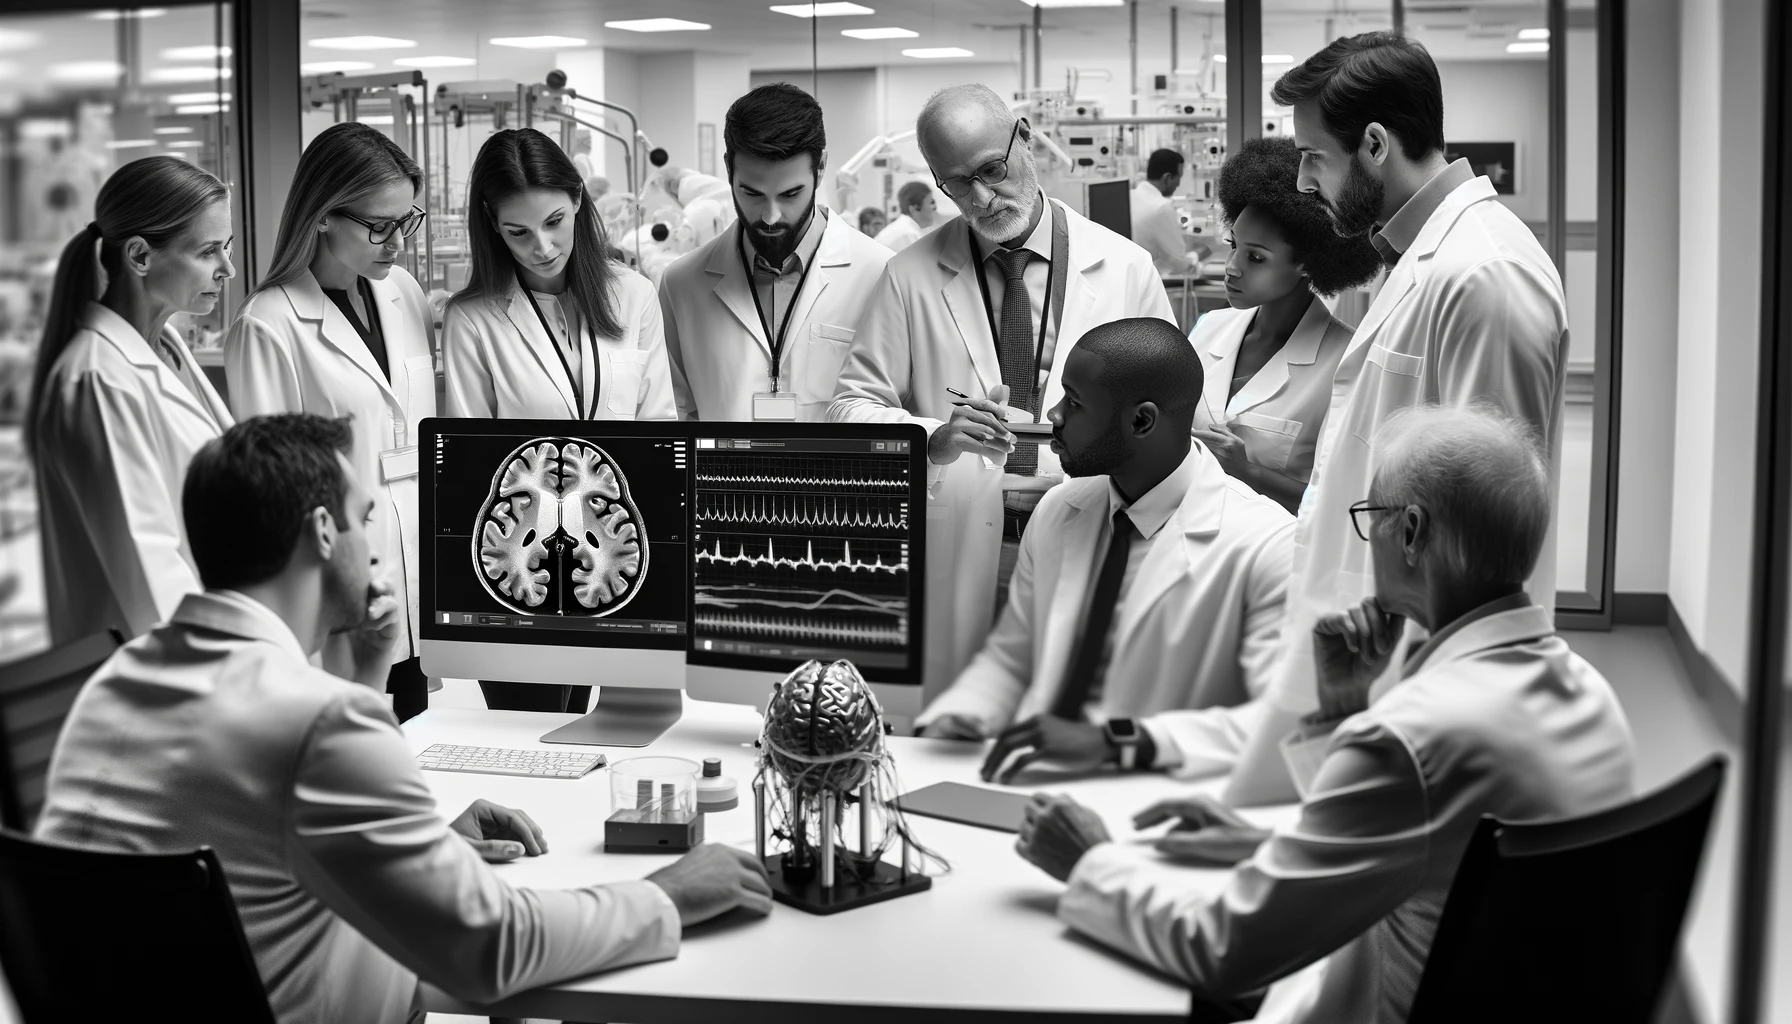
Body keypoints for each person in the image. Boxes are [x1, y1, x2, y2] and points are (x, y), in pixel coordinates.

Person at [35, 414, 773, 1024]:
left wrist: (411, 832)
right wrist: (668, 893)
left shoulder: (115, 682)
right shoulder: (320, 726)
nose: (378, 543)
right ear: (324, 533)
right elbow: (491, 952)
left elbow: (253, 849)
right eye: (365, 518)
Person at [1014, 406, 1636, 1023]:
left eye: (1372, 518)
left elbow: (1225, 950)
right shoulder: (1590, 693)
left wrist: (1090, 862)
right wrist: (1333, 726)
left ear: (1413, 533)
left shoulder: (1412, 735)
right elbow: (1424, 845)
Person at [1225, 32, 1572, 805]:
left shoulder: (1486, 276)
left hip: (1427, 687)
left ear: (1374, 144)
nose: (1305, 183)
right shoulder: (1417, 259)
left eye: (1314, 157)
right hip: (1372, 665)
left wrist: (1411, 699)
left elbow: (1482, 535)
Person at [830, 83, 1175, 697]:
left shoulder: (1124, 268)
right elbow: (849, 407)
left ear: (1025, 136)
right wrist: (935, 437)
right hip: (969, 542)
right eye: (958, 184)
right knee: (963, 729)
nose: (984, 197)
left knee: (1074, 722)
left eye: (993, 169)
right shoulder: (910, 275)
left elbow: (1171, 421)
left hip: (1091, 533)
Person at [916, 319, 1293, 784]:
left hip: (1152, 800)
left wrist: (1116, 741)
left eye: (1073, 403)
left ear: (1141, 421)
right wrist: (964, 713)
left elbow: (1282, 723)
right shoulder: (1060, 509)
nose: (1052, 415)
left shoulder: (1268, 545)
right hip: (1029, 779)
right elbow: (1012, 658)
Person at [442, 127, 675, 713]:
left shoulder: (634, 296)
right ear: (492, 225)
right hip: (523, 558)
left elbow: (657, 427)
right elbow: (469, 459)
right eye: (517, 232)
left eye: (554, 222)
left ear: (577, 202)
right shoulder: (472, 319)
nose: (541, 246)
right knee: (532, 726)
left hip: (618, 548)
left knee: (620, 734)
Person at [224, 122, 437, 722]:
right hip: (340, 596)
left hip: (417, 580)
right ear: (322, 216)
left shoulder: (403, 293)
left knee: (419, 759)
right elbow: (273, 497)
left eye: (406, 221)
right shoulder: (270, 323)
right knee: (359, 767)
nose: (397, 241)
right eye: (379, 226)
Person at [27, 155, 235, 645]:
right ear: (140, 256)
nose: (228, 268)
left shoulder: (166, 347)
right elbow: (149, 573)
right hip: (161, 670)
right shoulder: (97, 379)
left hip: (216, 637)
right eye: (208, 252)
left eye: (227, 248)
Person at [659, 83, 894, 423]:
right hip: (722, 475)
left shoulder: (881, 272)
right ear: (728, 168)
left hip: (834, 475)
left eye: (790, 194)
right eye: (752, 193)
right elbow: (677, 416)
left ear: (821, 166)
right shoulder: (681, 284)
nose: (770, 216)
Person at [1189, 137, 1383, 514]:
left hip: (1276, 556)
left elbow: (1344, 504)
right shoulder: (1209, 328)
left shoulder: (1348, 363)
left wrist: (1246, 471)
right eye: (1233, 245)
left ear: (1308, 264)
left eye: (1256, 257)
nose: (1231, 267)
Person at [1130, 148, 1197, 273]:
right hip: (1154, 281)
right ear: (1167, 177)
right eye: (1178, 177)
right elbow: (1180, 263)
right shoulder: (1161, 208)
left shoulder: (1129, 196)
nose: (1178, 184)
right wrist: (1196, 256)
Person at [873, 180, 940, 253]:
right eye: (930, 203)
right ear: (913, 209)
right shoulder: (908, 234)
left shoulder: (904, 228)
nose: (934, 208)